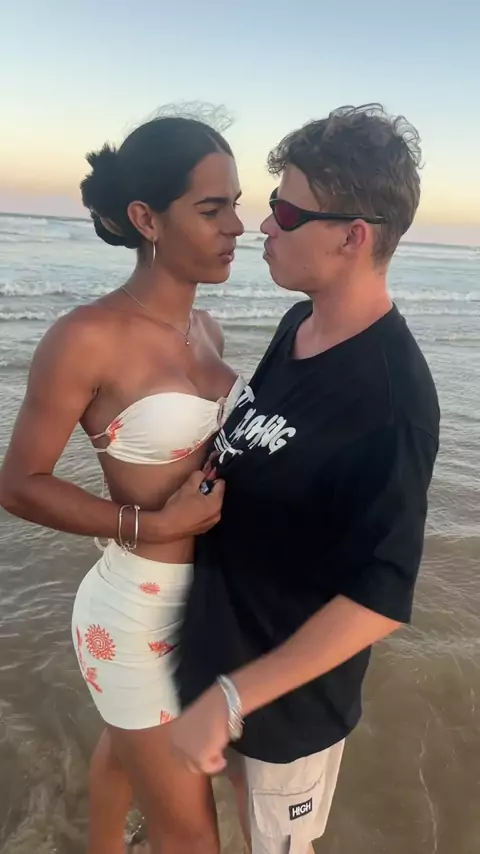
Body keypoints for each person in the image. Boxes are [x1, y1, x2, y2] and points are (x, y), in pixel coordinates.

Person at [171, 104, 440, 854]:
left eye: (288, 213)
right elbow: (257, 435)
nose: (264, 225)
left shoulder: (392, 401)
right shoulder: (300, 326)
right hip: (222, 664)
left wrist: (233, 698)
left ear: (354, 237)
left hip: (283, 707)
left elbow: (380, 598)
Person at [0, 114, 244, 854]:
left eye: (236, 204)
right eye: (212, 209)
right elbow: (19, 482)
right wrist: (153, 525)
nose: (238, 226)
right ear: (146, 218)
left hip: (206, 606)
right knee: (192, 836)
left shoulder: (208, 329)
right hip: (133, 618)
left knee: (125, 747)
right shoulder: (86, 337)